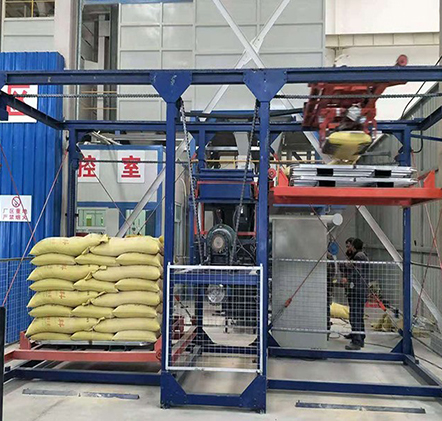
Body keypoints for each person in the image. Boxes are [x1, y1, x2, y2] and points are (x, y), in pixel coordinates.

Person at [340, 238, 369, 350]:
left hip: (358, 290)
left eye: (349, 246)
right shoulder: (356, 256)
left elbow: (357, 272)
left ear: (354, 246)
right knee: (357, 314)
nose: (348, 248)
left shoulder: (359, 256)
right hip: (357, 290)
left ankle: (357, 341)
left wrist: (347, 279)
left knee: (355, 315)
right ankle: (358, 336)